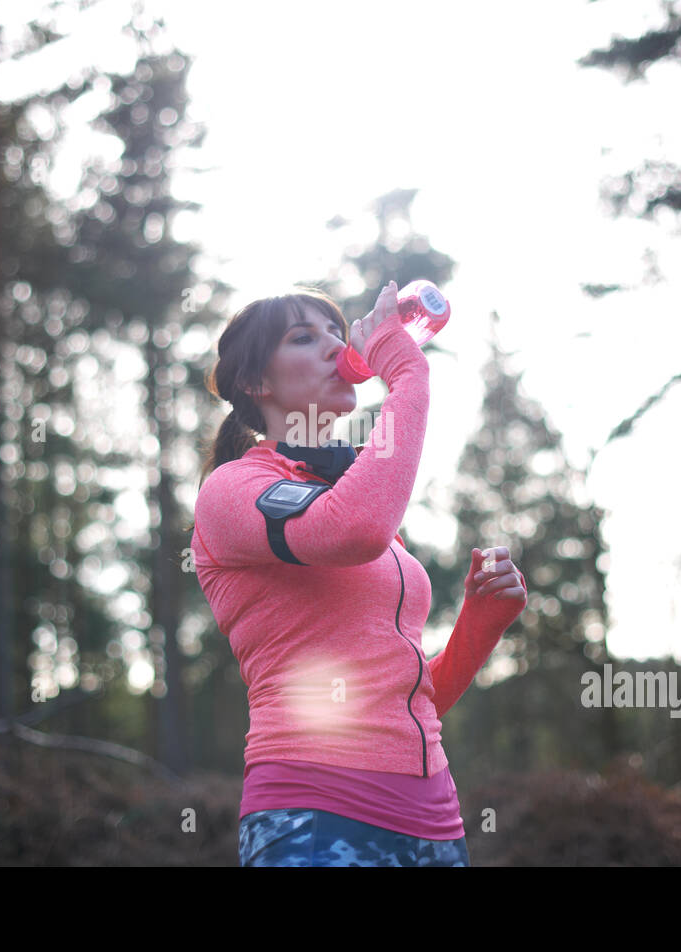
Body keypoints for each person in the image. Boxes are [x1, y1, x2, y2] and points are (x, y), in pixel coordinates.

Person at [190, 280, 527, 866]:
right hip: (315, 813)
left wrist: (483, 618)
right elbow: (353, 532)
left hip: (435, 820)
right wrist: (409, 376)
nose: (332, 347)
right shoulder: (233, 490)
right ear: (255, 382)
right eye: (302, 337)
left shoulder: (349, 494)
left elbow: (417, 694)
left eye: (336, 334)